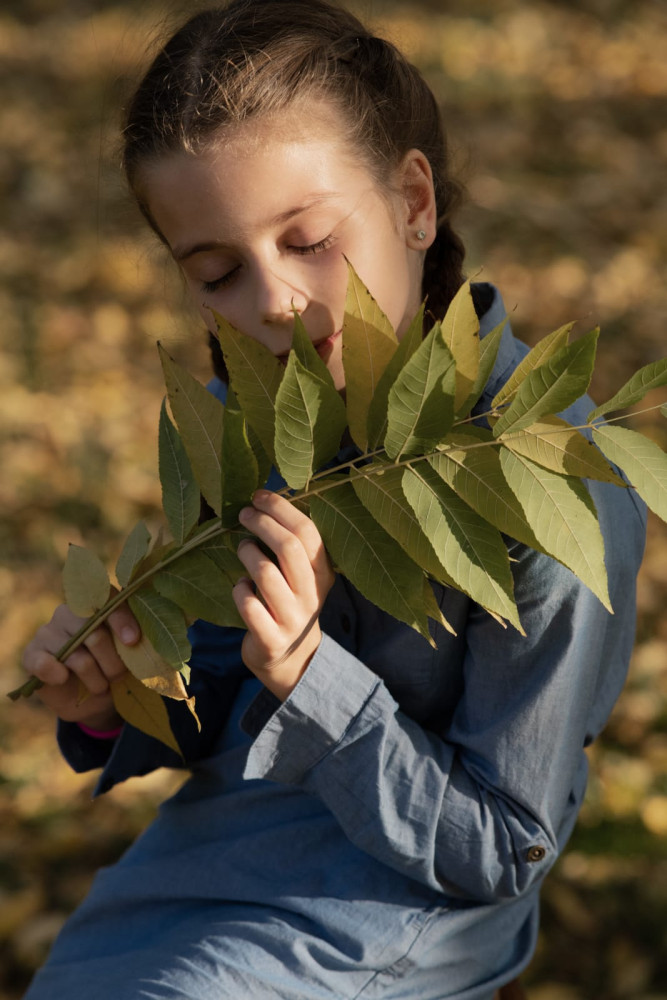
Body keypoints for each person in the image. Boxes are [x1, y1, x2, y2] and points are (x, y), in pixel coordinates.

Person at [20, 1, 647, 998]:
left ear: (412, 203)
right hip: (209, 868)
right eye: (218, 272)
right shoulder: (245, 413)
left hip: (389, 918)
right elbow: (221, 703)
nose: (269, 301)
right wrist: (115, 701)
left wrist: (311, 673)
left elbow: (504, 848)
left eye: (308, 239)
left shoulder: (546, 481)